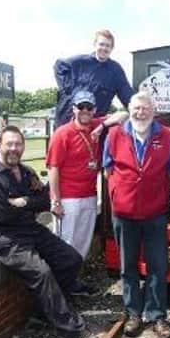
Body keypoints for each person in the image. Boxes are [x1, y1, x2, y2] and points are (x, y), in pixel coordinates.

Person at [0, 125, 101, 338]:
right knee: (42, 273)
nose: (14, 149)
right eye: (9, 144)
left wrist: (24, 202)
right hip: (5, 237)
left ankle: (45, 311)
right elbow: (2, 213)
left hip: (30, 228)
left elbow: (45, 200)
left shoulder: (26, 172)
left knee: (71, 259)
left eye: (18, 144)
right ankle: (74, 330)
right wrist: (27, 206)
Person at [102, 92, 170, 338]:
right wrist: (120, 192)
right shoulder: (113, 135)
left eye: (145, 108)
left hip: (155, 213)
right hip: (123, 214)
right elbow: (107, 169)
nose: (140, 113)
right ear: (129, 109)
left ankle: (157, 315)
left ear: (154, 111)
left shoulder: (166, 136)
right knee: (128, 266)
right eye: (136, 108)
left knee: (158, 266)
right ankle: (133, 313)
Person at [46, 90, 127, 296]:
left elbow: (124, 114)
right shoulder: (62, 133)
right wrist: (56, 200)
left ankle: (71, 284)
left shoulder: (95, 124)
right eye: (80, 107)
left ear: (94, 110)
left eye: (89, 107)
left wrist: (102, 125)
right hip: (68, 198)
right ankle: (57, 291)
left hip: (89, 196)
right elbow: (53, 168)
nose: (84, 111)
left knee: (82, 244)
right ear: (73, 109)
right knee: (65, 244)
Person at [54, 29, 134, 128]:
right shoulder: (80, 61)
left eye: (108, 46)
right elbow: (59, 65)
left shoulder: (115, 71)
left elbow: (127, 94)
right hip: (66, 120)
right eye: (101, 44)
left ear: (112, 48)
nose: (104, 48)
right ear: (95, 44)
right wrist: (68, 91)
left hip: (94, 126)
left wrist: (140, 108)